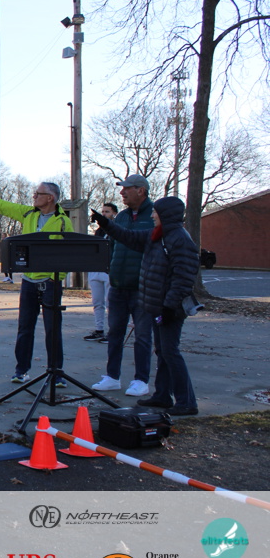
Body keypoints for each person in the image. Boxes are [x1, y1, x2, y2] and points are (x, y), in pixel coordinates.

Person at [92, 197, 199, 415]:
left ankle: (187, 402)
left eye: (155, 212)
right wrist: (106, 224)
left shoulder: (179, 239)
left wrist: (169, 306)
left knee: (170, 352)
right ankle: (162, 395)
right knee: (163, 351)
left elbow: (184, 277)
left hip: (170, 308)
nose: (152, 215)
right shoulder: (157, 235)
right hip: (157, 305)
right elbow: (129, 237)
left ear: (166, 214)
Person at [0, 182, 73, 385]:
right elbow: (2, 205)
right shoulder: (28, 214)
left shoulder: (62, 221)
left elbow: (69, 253)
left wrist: (56, 277)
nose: (34, 196)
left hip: (51, 283)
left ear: (50, 198)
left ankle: (56, 373)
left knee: (52, 329)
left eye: (38, 193)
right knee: (25, 328)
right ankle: (21, 371)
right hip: (29, 281)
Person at [91, 175, 155, 398]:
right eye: (122, 189)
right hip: (118, 285)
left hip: (142, 287)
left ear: (141, 190)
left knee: (143, 336)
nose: (122, 192)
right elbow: (112, 245)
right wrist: (111, 270)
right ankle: (112, 377)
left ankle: (141, 380)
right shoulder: (122, 217)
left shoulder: (154, 216)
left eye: (127, 188)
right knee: (115, 333)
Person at [84, 202, 118, 341]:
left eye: (107, 212)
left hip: (109, 270)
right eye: (103, 212)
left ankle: (112, 332)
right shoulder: (98, 231)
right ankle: (99, 329)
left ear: (114, 214)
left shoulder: (116, 230)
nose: (104, 214)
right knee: (97, 302)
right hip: (96, 269)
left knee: (110, 303)